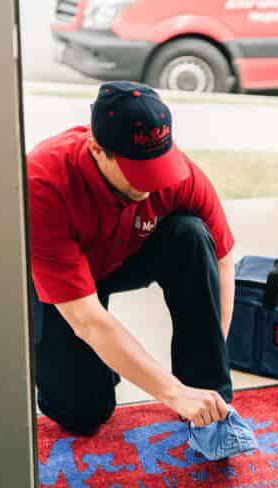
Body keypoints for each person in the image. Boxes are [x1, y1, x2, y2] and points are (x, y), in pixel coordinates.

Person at [28, 81, 234, 435]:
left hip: (126, 253)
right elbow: (87, 319)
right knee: (82, 413)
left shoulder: (180, 175)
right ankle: (96, 364)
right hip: (66, 281)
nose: (153, 182)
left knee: (192, 235)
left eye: (158, 166)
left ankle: (208, 397)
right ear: (96, 148)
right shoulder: (43, 183)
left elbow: (223, 260)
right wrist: (171, 393)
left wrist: (212, 354)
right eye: (139, 170)